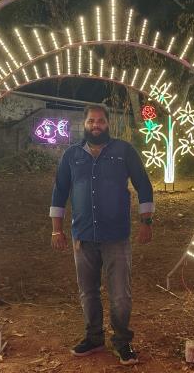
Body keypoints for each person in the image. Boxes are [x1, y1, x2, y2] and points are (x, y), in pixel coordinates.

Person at [49, 104, 154, 365]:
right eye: (91, 121)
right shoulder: (72, 155)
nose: (96, 125)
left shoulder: (124, 151)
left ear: (108, 123)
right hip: (83, 236)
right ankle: (94, 338)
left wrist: (146, 222)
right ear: (84, 124)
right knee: (88, 292)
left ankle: (122, 341)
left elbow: (143, 184)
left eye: (101, 121)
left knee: (120, 295)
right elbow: (59, 191)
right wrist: (56, 229)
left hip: (116, 236)